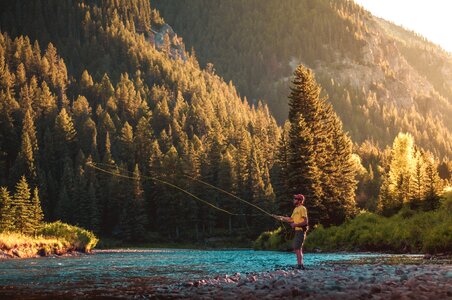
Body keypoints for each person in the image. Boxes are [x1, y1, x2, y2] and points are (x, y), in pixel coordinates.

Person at [273, 194, 308, 270]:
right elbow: (291, 219)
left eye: (295, 199)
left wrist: (296, 224)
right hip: (297, 231)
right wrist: (280, 218)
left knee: (297, 248)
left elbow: (306, 221)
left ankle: (300, 265)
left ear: (299, 201)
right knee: (297, 248)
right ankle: (300, 265)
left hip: (301, 231)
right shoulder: (295, 209)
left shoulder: (302, 208)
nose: (294, 200)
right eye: (294, 198)